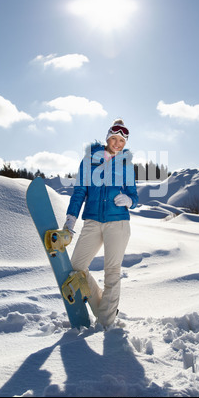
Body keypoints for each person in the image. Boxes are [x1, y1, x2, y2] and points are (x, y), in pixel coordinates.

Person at [63, 119, 138, 329]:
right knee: (77, 266)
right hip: (93, 220)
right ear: (107, 138)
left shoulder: (126, 165)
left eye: (121, 141)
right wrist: (70, 219)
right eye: (114, 138)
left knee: (112, 271)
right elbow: (79, 191)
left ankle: (105, 323)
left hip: (118, 222)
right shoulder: (89, 160)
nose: (117, 143)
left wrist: (129, 200)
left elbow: (134, 194)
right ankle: (102, 307)